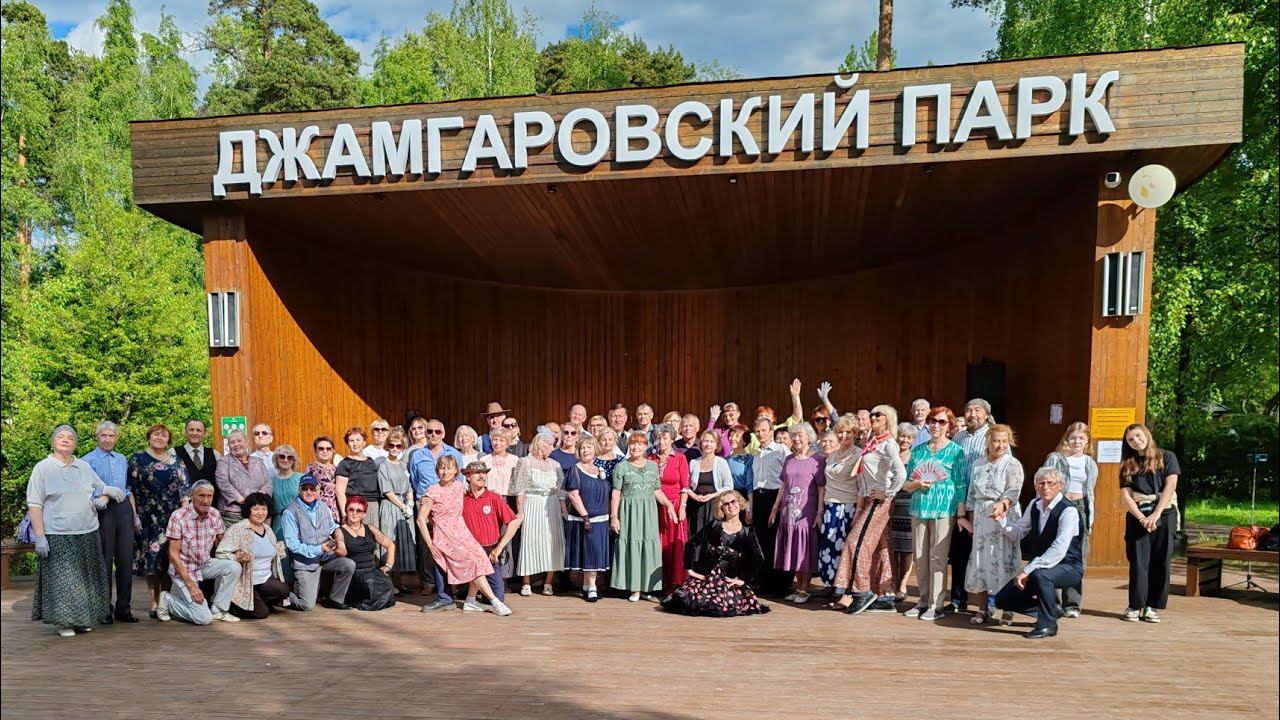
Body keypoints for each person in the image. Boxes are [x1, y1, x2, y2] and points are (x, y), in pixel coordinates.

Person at [27, 425, 114, 637]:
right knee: (64, 581)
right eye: (61, 437)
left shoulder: (83, 466)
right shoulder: (43, 468)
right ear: (53, 441)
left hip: (88, 531)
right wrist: (40, 537)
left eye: (70, 438)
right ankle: (65, 622)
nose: (65, 440)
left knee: (85, 579)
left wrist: (102, 499)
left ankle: (83, 620)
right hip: (58, 533)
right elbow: (34, 504)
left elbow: (102, 488)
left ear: (75, 443)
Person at [832, 405, 907, 614]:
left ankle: (862, 590)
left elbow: (900, 473)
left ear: (887, 419)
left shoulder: (888, 445)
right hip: (870, 499)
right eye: (871, 414)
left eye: (877, 414)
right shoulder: (874, 443)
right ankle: (885, 595)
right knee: (881, 546)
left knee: (856, 542)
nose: (873, 417)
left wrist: (888, 492)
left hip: (879, 501)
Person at [993, 467, 1084, 639]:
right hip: (1040, 568)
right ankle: (1050, 610)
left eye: (1051, 483)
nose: (1045, 487)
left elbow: (1059, 549)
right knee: (1003, 600)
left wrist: (1028, 570)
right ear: (1036, 486)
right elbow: (1019, 531)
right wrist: (1002, 520)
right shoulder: (1034, 505)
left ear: (1060, 486)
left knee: (1043, 576)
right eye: (1041, 483)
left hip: (1069, 567)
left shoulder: (1068, 511)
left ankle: (1047, 626)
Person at [418, 455, 512, 615]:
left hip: (463, 535)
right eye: (442, 468)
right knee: (473, 565)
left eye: (449, 468)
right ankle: (495, 603)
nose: (445, 471)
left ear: (456, 471)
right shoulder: (432, 492)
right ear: (437, 470)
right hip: (445, 538)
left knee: (480, 560)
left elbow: (474, 493)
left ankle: (470, 601)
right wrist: (430, 544)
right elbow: (421, 519)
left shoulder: (459, 487)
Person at [902, 407, 968, 621]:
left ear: (949, 425)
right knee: (920, 558)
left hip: (943, 509)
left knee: (938, 558)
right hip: (920, 506)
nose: (936, 425)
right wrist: (916, 484)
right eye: (932, 421)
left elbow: (960, 484)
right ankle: (922, 601)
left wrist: (960, 514)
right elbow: (905, 483)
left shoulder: (956, 451)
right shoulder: (918, 450)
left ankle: (935, 604)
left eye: (941, 421)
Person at [662, 491, 770, 617]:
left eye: (733, 502)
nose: (731, 506)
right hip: (706, 576)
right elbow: (691, 544)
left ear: (740, 503)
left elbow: (758, 557)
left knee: (724, 605)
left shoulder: (747, 532)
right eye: (726, 504)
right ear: (722, 508)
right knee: (687, 601)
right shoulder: (714, 525)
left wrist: (743, 579)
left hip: (728, 580)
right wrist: (689, 570)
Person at [155, 481, 242, 624]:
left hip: (204, 564)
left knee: (234, 567)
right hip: (183, 569)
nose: (206, 500)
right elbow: (173, 555)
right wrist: (191, 585)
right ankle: (167, 599)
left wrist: (237, 554)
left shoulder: (215, 514)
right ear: (192, 496)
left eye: (209, 496)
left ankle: (219, 610)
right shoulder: (178, 516)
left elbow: (222, 544)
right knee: (203, 618)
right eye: (201, 495)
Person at [1120, 423, 1180, 623]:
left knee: (1161, 561)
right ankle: (1135, 605)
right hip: (1139, 515)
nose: (1136, 441)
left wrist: (1156, 514)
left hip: (1164, 512)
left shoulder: (1167, 456)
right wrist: (1141, 518)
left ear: (1146, 434)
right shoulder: (1128, 463)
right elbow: (1126, 496)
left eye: (1138, 436)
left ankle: (1152, 606)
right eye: (1131, 439)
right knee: (1138, 562)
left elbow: (1171, 486)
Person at [129, 423, 191, 618]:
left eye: (164, 435)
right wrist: (134, 515)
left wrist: (183, 515)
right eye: (156, 434)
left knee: (168, 559)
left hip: (172, 517)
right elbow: (129, 489)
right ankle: (154, 601)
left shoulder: (177, 461)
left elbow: (185, 491)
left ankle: (164, 598)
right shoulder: (137, 459)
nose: (159, 438)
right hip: (147, 516)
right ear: (149, 437)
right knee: (151, 561)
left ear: (168, 440)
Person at [964, 424, 1024, 625]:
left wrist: (1003, 505)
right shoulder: (978, 464)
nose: (1000, 445)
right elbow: (972, 494)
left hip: (1002, 515)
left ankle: (1008, 610)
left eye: (1004, 442)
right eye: (996, 441)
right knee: (981, 561)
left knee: (1004, 560)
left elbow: (1013, 491)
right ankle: (982, 609)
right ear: (988, 441)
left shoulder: (1012, 464)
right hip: (982, 517)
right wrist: (970, 520)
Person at [82, 420, 137, 624]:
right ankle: (103, 609)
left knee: (125, 559)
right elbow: (84, 488)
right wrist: (102, 492)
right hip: (103, 510)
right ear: (97, 437)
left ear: (117, 438)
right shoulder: (87, 460)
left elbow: (126, 488)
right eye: (103, 435)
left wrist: (134, 514)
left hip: (123, 509)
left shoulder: (122, 459)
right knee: (104, 560)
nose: (107, 439)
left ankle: (124, 608)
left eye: (111, 436)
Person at [1043, 422, 1098, 616]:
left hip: (1080, 508)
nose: (1077, 441)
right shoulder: (1056, 459)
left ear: (1087, 441)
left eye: (1081, 438)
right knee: (1055, 551)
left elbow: (1090, 490)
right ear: (1067, 439)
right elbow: (1043, 482)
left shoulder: (1089, 463)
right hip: (1060, 507)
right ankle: (1053, 602)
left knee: (1077, 556)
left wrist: (1090, 519)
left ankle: (1072, 604)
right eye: (1073, 437)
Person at [610, 433, 672, 601]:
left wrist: (668, 504)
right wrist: (614, 517)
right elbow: (616, 493)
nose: (636, 447)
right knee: (632, 545)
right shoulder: (621, 467)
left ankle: (647, 587)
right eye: (633, 444)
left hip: (648, 512)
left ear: (646, 446)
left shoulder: (652, 466)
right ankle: (634, 588)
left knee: (648, 546)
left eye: (640, 444)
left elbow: (656, 490)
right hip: (629, 511)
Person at [280, 475, 356, 611]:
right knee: (306, 605)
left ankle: (335, 599)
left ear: (318, 490)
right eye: (305, 489)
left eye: (312, 488)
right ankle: (280, 595)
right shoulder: (290, 512)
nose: (309, 492)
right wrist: (319, 549)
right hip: (305, 563)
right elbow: (292, 545)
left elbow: (334, 528)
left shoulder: (323, 506)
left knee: (348, 564)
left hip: (325, 558)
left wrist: (341, 542)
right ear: (299, 490)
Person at [949, 398, 996, 613]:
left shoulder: (994, 436)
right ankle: (958, 600)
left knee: (985, 554)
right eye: (968, 410)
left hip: (983, 504)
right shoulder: (958, 437)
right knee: (959, 554)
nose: (971, 414)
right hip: (960, 503)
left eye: (977, 410)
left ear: (986, 414)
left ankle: (989, 603)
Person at [770, 423, 826, 604]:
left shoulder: (817, 460)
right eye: (794, 436)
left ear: (809, 437)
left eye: (800, 435)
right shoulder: (788, 459)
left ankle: (804, 589)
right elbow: (783, 485)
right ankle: (798, 587)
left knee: (805, 548)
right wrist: (775, 508)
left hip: (806, 511)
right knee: (793, 547)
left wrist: (819, 512)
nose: (797, 439)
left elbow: (821, 487)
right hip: (788, 512)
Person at [216, 492, 290, 620]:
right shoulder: (238, 529)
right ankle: (234, 605)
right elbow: (220, 553)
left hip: (264, 580)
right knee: (262, 614)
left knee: (283, 590)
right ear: (248, 510)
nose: (260, 513)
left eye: (263, 509)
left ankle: (258, 601)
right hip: (244, 582)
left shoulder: (268, 530)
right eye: (255, 509)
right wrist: (237, 557)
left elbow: (273, 553)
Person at [512, 432, 566, 596]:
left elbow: (560, 489)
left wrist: (563, 509)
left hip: (551, 504)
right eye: (550, 445)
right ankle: (526, 581)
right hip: (532, 504)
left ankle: (548, 582)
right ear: (541, 445)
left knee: (552, 541)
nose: (552, 448)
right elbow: (519, 489)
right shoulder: (525, 462)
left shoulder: (555, 464)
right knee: (530, 541)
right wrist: (520, 512)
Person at [461, 462, 522, 607]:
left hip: (490, 552)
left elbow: (514, 522)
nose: (481, 475)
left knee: (498, 597)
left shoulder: (493, 497)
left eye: (484, 472)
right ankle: (469, 592)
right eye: (476, 472)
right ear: (468, 476)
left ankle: (474, 592)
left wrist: (499, 548)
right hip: (471, 552)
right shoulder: (462, 499)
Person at [563, 437, 612, 601]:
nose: (586, 450)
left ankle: (586, 585)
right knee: (591, 553)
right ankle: (592, 586)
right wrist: (585, 516)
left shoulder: (599, 469)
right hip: (586, 519)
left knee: (593, 553)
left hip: (602, 519)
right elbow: (573, 494)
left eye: (589, 447)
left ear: (595, 450)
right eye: (582, 448)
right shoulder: (575, 470)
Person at [816, 416, 860, 597]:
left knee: (842, 546)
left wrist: (858, 509)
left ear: (855, 434)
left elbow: (860, 484)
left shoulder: (859, 454)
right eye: (840, 432)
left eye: (847, 432)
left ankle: (843, 587)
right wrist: (820, 510)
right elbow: (825, 484)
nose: (843, 436)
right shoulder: (832, 454)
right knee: (828, 544)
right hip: (829, 505)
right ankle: (829, 584)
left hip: (847, 505)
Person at [335, 496, 397, 611]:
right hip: (355, 573)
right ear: (346, 511)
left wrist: (388, 565)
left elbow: (390, 545)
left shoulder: (370, 529)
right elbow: (342, 551)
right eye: (351, 509)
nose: (354, 513)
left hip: (372, 571)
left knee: (386, 583)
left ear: (363, 514)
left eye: (358, 510)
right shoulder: (339, 531)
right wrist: (335, 547)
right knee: (370, 586)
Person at [751, 417, 790, 595]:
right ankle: (764, 581)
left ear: (771, 431)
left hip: (775, 497)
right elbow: (753, 481)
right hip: (759, 497)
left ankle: (779, 584)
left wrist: (780, 503)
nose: (761, 434)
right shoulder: (757, 454)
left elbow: (788, 476)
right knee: (761, 540)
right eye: (758, 431)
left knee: (775, 540)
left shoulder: (781, 450)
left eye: (764, 431)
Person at [650, 423, 691, 591]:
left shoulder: (680, 458)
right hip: (655, 507)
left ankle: (676, 582)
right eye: (658, 438)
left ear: (672, 439)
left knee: (675, 547)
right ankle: (658, 583)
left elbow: (685, 486)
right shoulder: (650, 459)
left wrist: (682, 507)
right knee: (657, 545)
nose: (661, 441)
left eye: (665, 438)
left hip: (674, 506)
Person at [377, 429, 417, 593]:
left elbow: (409, 487)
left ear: (402, 447)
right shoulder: (383, 466)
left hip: (404, 506)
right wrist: (402, 506)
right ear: (388, 446)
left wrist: (410, 502)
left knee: (403, 542)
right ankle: (389, 584)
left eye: (398, 446)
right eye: (392, 445)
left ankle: (400, 582)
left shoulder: (403, 465)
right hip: (391, 506)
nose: (395, 448)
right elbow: (387, 490)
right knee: (391, 540)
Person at [214, 429, 272, 527]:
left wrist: (258, 499)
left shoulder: (258, 461)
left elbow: (268, 483)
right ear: (229, 446)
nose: (236, 444)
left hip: (258, 512)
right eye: (232, 442)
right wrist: (244, 501)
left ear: (246, 442)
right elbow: (223, 483)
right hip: (234, 514)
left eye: (239, 441)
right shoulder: (224, 461)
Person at [686, 431, 734, 539]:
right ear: (701, 443)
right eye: (705, 441)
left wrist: (712, 495)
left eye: (711, 441)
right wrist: (693, 495)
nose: (708, 444)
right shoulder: (693, 462)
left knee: (712, 538)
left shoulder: (721, 463)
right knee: (695, 538)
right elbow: (686, 485)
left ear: (716, 445)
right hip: (695, 506)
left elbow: (729, 486)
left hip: (714, 506)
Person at [890, 423, 918, 599]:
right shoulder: (891, 455)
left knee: (907, 549)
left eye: (908, 437)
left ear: (913, 440)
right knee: (893, 548)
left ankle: (902, 585)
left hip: (909, 505)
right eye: (902, 436)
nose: (904, 440)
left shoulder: (915, 458)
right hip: (892, 504)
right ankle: (892, 582)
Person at [269, 445, 302, 584]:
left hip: (298, 521)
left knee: (298, 555)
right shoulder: (270, 480)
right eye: (282, 456)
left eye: (290, 457)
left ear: (294, 461)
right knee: (281, 555)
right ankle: (285, 589)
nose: (286, 460)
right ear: (277, 458)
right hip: (278, 522)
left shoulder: (300, 478)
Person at [410, 418, 464, 499]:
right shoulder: (417, 455)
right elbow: (415, 480)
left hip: (448, 500)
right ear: (425, 434)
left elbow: (459, 479)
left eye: (437, 432)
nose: (433, 434)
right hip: (424, 499)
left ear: (443, 434)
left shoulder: (455, 454)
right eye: (429, 431)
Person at [335, 427, 380, 523]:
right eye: (351, 441)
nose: (355, 443)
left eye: (358, 440)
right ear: (347, 444)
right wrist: (344, 514)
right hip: (356, 506)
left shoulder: (371, 461)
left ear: (364, 442)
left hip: (373, 505)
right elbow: (340, 492)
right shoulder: (345, 463)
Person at [174, 418, 218, 500]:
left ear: (204, 433)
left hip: (210, 506)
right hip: (184, 507)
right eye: (191, 430)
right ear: (185, 432)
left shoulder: (215, 454)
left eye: (198, 430)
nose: (194, 433)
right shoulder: (173, 453)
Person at [304, 436, 341, 522]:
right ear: (316, 451)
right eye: (321, 448)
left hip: (334, 513)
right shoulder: (310, 468)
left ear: (333, 451)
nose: (325, 451)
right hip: (316, 514)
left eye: (328, 449)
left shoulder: (337, 469)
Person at [724, 425, 754, 514]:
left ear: (745, 441)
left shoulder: (749, 459)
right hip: (726, 498)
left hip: (742, 499)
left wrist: (750, 507)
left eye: (737, 436)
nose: (732, 438)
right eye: (731, 435)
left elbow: (750, 486)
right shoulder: (725, 460)